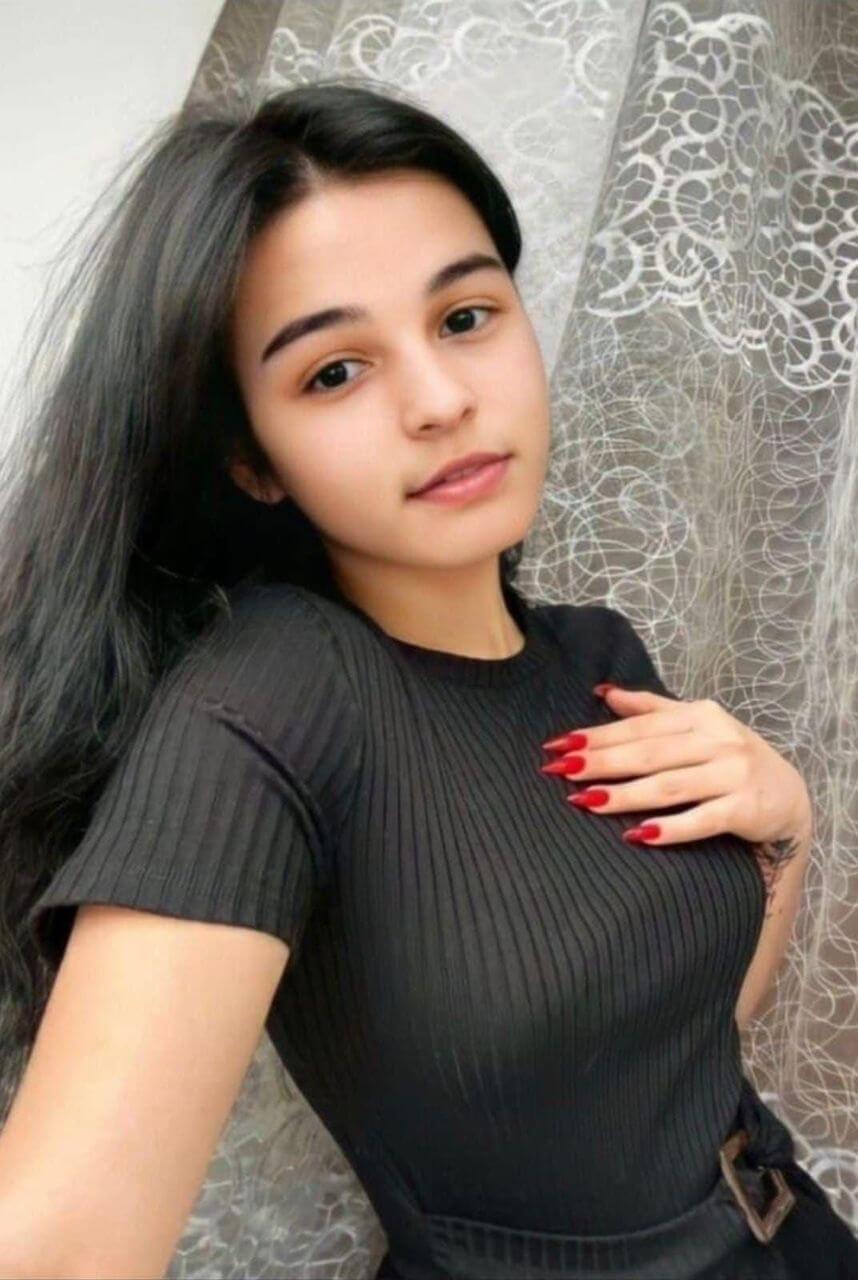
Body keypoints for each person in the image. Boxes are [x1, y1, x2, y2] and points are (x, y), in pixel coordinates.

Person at [0, 78, 854, 1280]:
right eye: (334, 371)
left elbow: (684, 1042)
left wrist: (786, 833)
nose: (443, 399)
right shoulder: (273, 697)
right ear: (251, 459)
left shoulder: (597, 657)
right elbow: (59, 1247)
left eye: (464, 316)